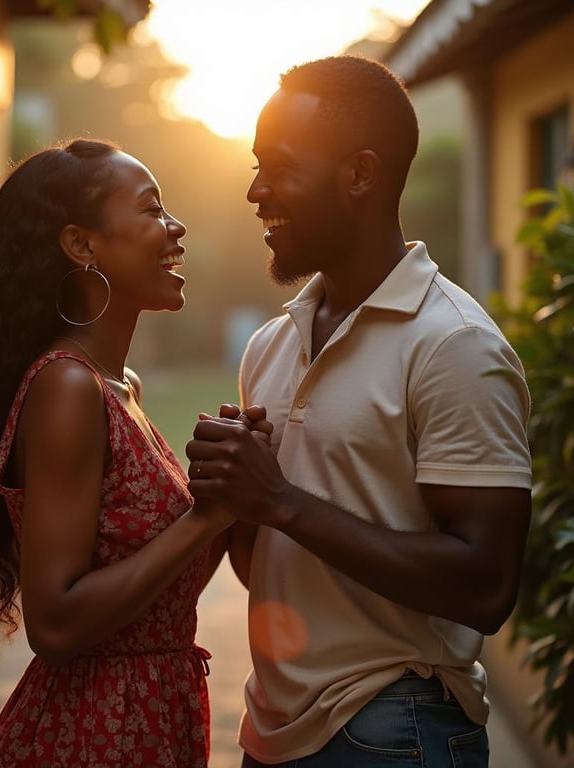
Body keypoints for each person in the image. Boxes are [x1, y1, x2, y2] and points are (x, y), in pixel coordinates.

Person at [186, 55, 533, 767]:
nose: (255, 190)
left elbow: (487, 586)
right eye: (255, 165)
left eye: (278, 165)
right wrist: (234, 498)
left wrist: (280, 500)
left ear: (361, 175)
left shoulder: (454, 345)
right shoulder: (270, 346)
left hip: (395, 730)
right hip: (274, 731)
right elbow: (273, 571)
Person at [0, 137, 268, 767]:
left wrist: (235, 480)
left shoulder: (119, 387)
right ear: (82, 245)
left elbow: (162, 583)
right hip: (91, 732)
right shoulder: (67, 386)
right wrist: (207, 516)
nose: (176, 226)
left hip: (152, 717)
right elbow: (54, 625)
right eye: (152, 209)